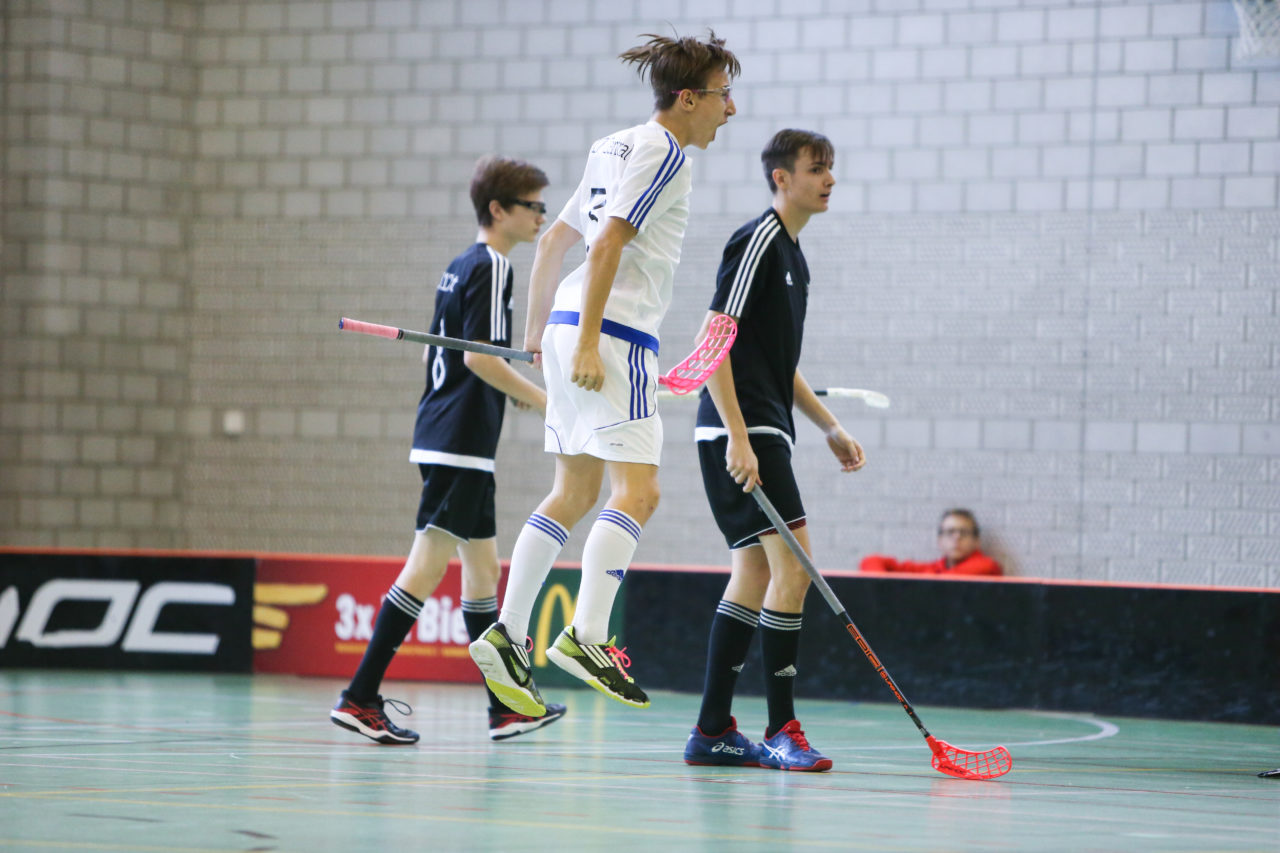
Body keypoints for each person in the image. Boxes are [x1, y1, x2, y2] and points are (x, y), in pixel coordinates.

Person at [468, 31, 740, 717]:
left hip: (568, 326)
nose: (729, 110)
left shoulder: (612, 143)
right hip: (612, 336)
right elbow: (611, 238)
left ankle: (507, 632)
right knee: (639, 492)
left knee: (574, 487)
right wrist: (588, 341)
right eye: (722, 95)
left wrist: (541, 334)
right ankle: (588, 635)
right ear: (687, 99)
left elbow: (557, 238)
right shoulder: (667, 152)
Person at [330, 156, 564, 744]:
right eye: (533, 206)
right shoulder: (491, 263)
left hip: (456, 440)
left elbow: (478, 360)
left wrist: (512, 393)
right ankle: (359, 697)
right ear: (498, 210)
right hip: (457, 442)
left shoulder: (461, 264)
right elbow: (480, 358)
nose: (541, 216)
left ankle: (504, 707)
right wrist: (542, 400)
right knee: (426, 568)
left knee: (483, 575)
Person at [683, 129, 867, 773]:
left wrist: (828, 426)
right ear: (781, 177)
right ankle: (782, 729)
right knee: (794, 572)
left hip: (763, 429)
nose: (830, 178)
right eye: (818, 167)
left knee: (758, 573)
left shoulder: (796, 257)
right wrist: (737, 434)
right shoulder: (757, 240)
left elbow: (779, 363)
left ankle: (712, 731)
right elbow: (715, 339)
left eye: (833, 167)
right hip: (743, 433)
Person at [859, 508, 1003, 576]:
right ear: (939, 540)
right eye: (950, 532)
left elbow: (950, 581)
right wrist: (881, 583)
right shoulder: (933, 569)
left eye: (964, 532)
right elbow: (871, 561)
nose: (956, 537)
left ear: (976, 541)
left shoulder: (987, 567)